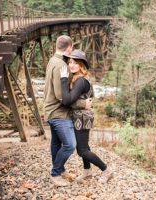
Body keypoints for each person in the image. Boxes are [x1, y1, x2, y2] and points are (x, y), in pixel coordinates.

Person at [44, 35, 92, 187]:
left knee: (56, 143)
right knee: (70, 145)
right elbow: (61, 97)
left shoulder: (53, 60)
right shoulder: (61, 66)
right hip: (59, 113)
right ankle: (56, 173)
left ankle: (61, 170)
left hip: (50, 110)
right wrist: (83, 103)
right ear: (69, 48)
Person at [60, 49, 113, 183]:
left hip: (81, 118)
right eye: (70, 62)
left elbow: (67, 100)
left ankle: (106, 170)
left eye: (75, 63)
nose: (71, 65)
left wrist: (63, 80)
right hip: (83, 116)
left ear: (82, 65)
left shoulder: (80, 81)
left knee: (82, 150)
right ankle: (87, 170)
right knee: (84, 147)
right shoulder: (82, 79)